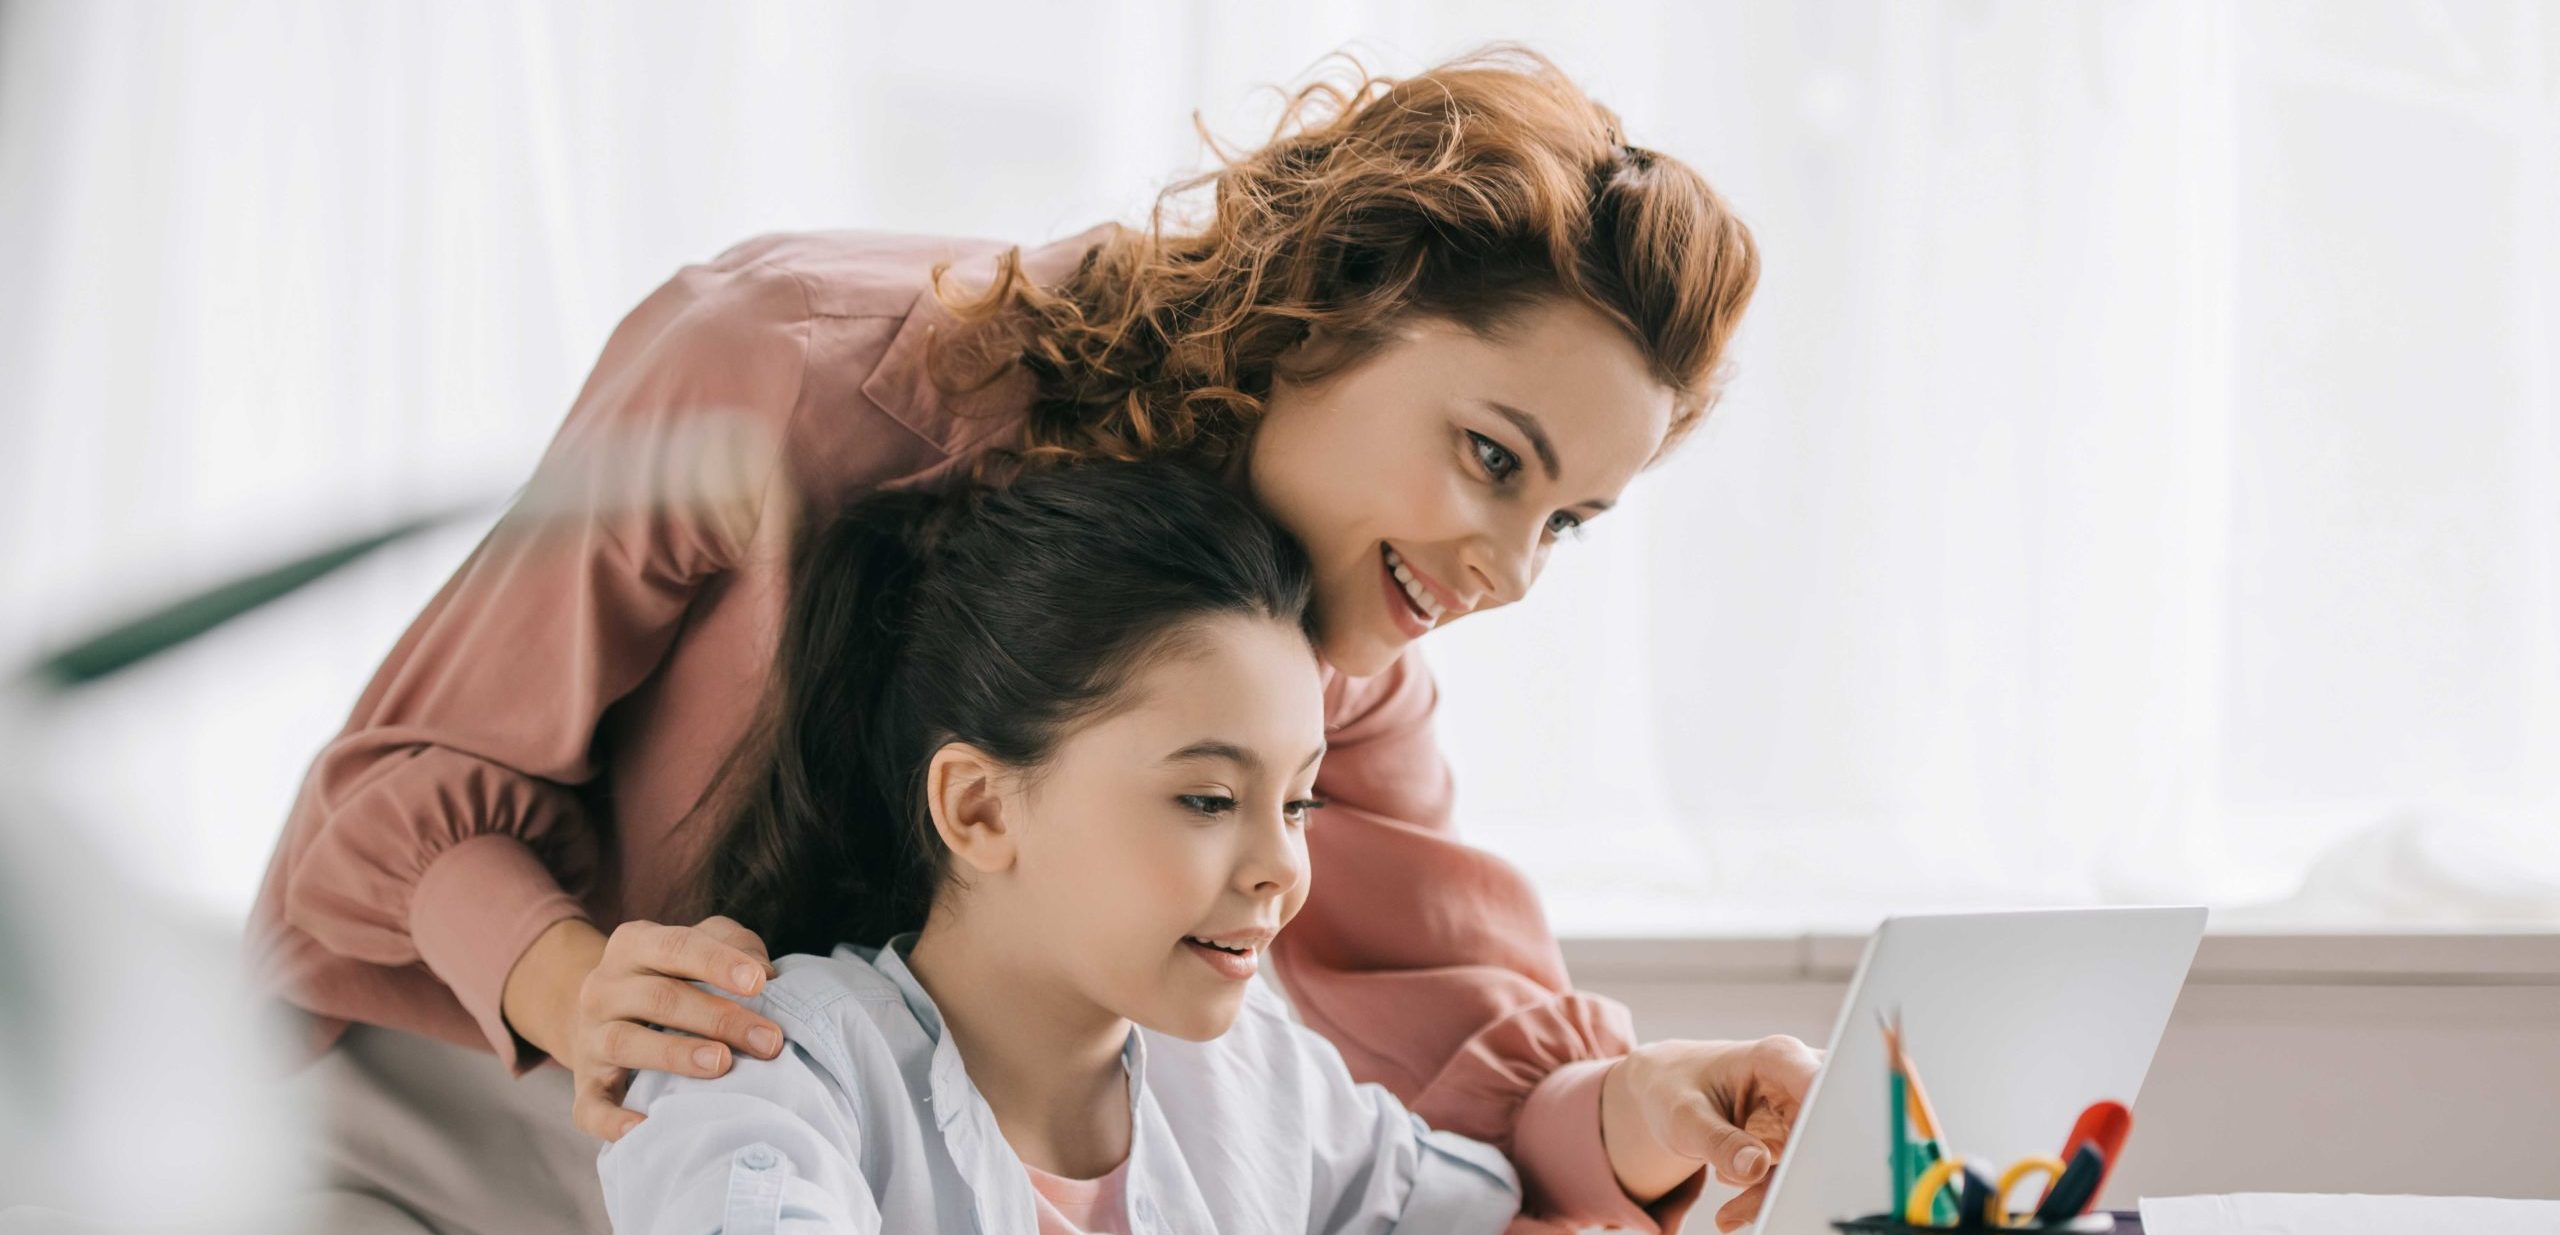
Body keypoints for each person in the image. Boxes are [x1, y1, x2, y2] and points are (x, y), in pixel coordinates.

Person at [250, 45, 1816, 1235]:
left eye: (1571, 520)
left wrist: (1638, 1105)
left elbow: (1446, 1069)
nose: (1514, 572)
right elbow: (393, 790)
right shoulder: (784, 371)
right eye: (1493, 457)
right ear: (1333, 297)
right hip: (444, 1138)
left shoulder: (1334, 633)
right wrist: (575, 984)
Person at [602, 459, 1522, 1233]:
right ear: (981, 810)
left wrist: (1634, 1121)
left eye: (1299, 802)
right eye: (1209, 798)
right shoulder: (771, 1072)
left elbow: (1466, 1205)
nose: (1282, 865)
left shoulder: (1258, 1076)